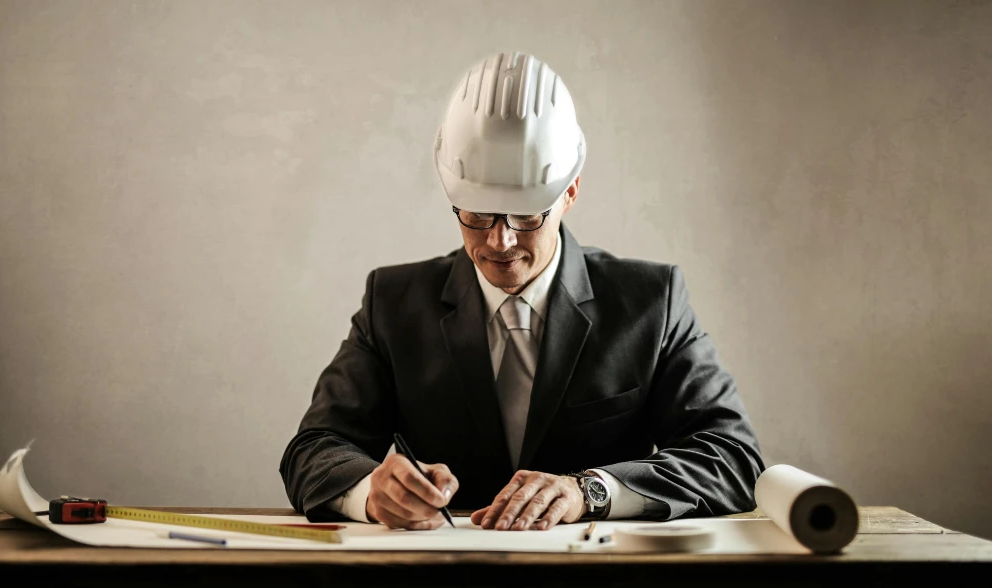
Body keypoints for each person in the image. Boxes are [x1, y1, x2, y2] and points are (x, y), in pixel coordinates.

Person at [280, 52, 764, 531]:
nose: (499, 241)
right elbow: (313, 450)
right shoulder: (392, 302)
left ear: (569, 193)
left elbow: (733, 457)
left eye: (527, 216)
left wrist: (589, 491)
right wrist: (371, 493)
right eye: (476, 214)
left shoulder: (650, 302)